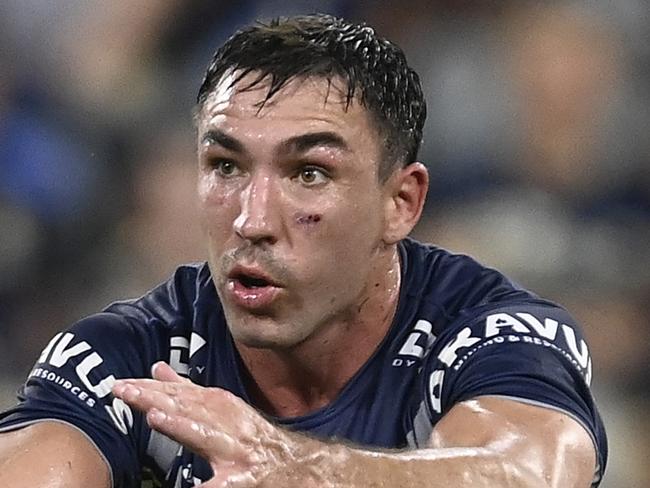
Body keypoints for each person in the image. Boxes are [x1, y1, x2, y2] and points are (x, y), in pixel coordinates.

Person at [0, 14, 606, 487]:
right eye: (226, 164)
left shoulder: (492, 335)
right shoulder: (133, 359)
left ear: (401, 202)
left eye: (310, 172)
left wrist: (294, 469)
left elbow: (530, 473)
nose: (252, 219)